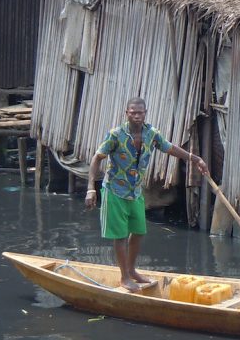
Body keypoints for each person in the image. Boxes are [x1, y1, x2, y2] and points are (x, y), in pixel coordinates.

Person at [86, 97, 209, 292]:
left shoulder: (151, 134)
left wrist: (195, 159)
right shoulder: (116, 135)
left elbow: (170, 148)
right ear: (127, 113)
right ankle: (124, 277)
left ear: (145, 113)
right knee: (120, 236)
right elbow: (97, 158)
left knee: (139, 231)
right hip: (115, 190)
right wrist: (91, 188)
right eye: (133, 112)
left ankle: (132, 270)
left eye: (140, 112)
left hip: (135, 192)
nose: (136, 116)